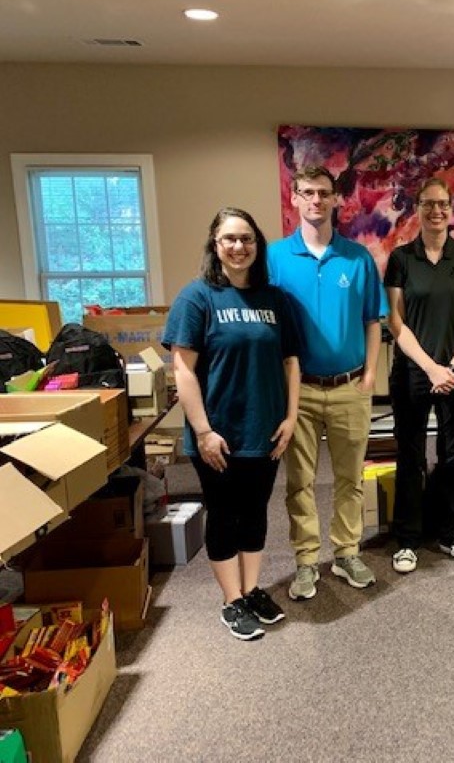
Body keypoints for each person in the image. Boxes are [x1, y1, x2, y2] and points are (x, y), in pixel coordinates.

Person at [163, 207, 301, 640]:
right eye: (229, 239)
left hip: (266, 428)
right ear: (215, 244)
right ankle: (231, 600)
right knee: (224, 514)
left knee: (256, 511)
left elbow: (291, 361)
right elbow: (182, 370)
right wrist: (203, 431)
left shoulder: (274, 299)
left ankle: (253, 588)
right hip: (218, 434)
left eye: (247, 239)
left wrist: (291, 417)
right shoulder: (197, 297)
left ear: (257, 245)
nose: (239, 247)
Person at [268, 165, 387, 600]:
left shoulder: (357, 259)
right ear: (295, 199)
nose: (315, 201)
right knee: (299, 479)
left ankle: (347, 552)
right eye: (307, 193)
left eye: (323, 193)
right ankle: (305, 560)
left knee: (349, 477)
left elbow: (373, 320)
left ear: (337, 200)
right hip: (296, 391)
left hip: (349, 387)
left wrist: (371, 373)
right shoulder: (275, 258)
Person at [386, 177, 454, 573]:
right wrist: (430, 367)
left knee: (452, 457)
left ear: (452, 207)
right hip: (412, 372)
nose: (436, 211)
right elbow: (396, 322)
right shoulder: (401, 259)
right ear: (417, 208)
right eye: (428, 204)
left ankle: (453, 536)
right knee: (410, 456)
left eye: (443, 204)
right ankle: (407, 540)